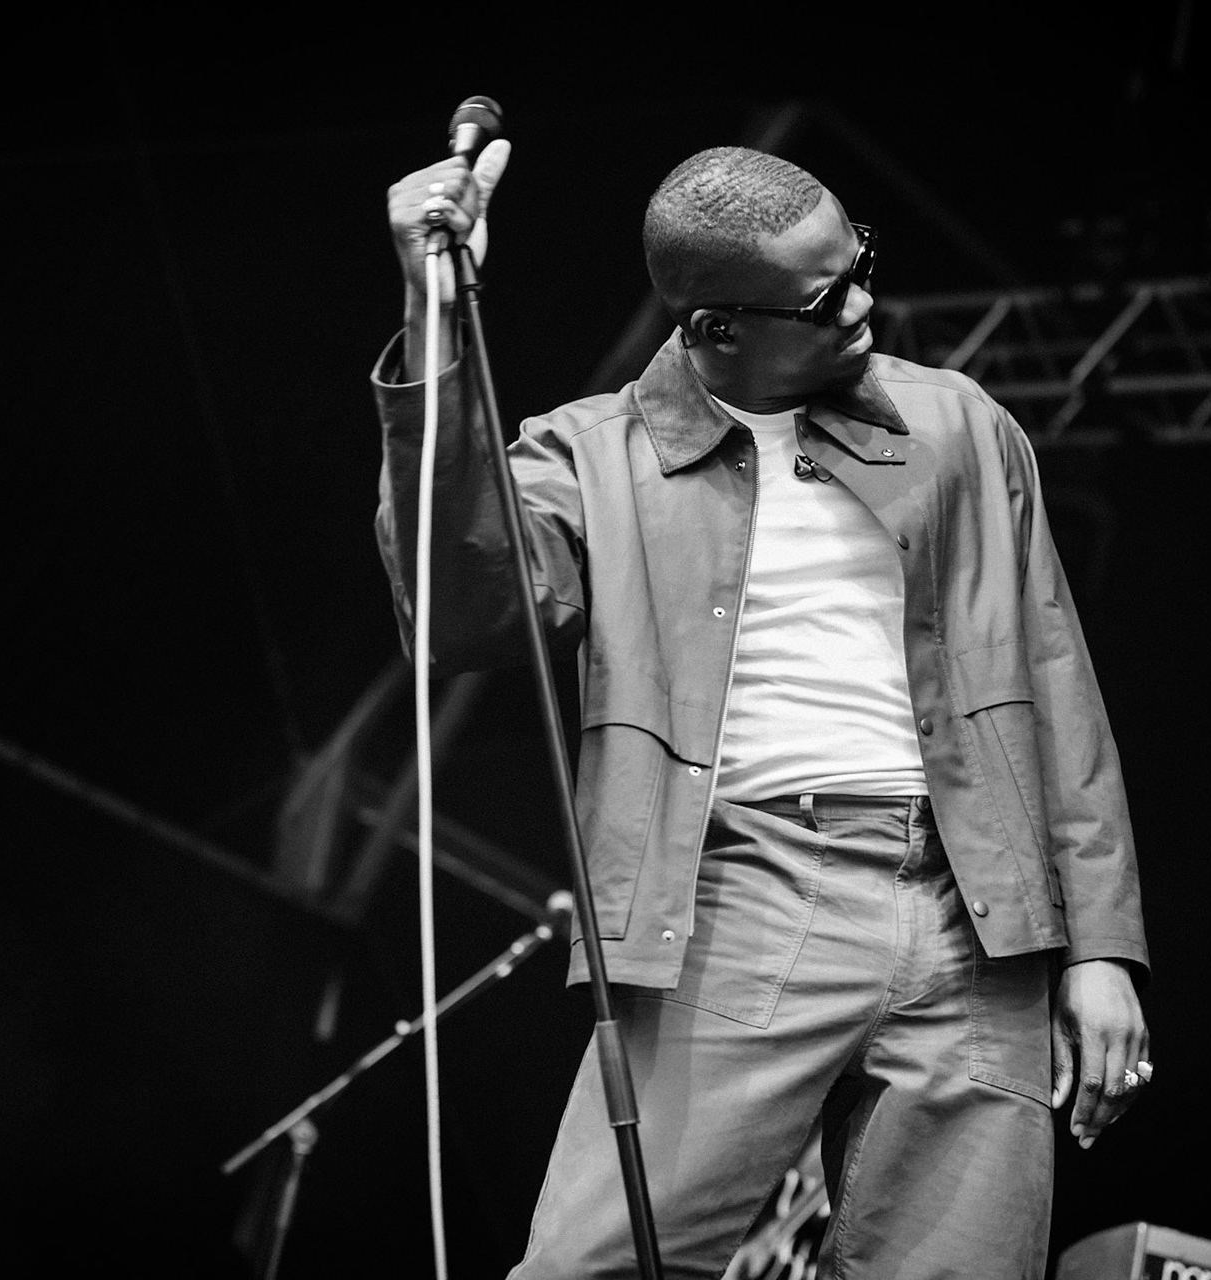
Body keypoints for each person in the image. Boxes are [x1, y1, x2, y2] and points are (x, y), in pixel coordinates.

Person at [372, 137, 1151, 1279]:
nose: (864, 303)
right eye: (825, 295)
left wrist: (1104, 949)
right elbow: (458, 610)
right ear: (716, 326)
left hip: (978, 909)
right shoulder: (595, 453)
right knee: (593, 1264)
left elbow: (1056, 684)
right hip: (738, 897)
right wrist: (430, 308)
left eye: (862, 262)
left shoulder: (962, 425)